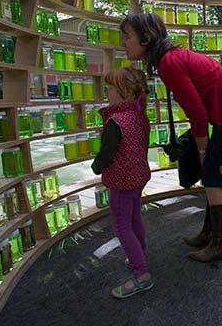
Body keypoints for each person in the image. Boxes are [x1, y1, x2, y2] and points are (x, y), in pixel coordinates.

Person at [120, 13, 222, 262]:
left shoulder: (168, 63)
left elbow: (197, 113)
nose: (124, 42)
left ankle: (221, 243)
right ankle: (210, 233)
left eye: (128, 37)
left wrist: (203, 152)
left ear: (146, 38)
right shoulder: (170, 59)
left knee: (212, 174)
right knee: (214, 174)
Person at [91, 67, 153, 298]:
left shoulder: (116, 121)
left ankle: (141, 274)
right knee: (135, 218)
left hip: (121, 181)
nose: (106, 92)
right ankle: (140, 254)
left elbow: (106, 155)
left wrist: (96, 166)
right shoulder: (139, 116)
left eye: (109, 88)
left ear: (124, 92)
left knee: (121, 226)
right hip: (138, 177)